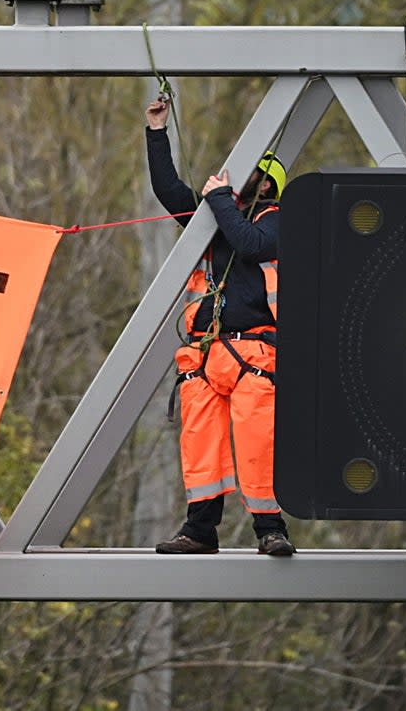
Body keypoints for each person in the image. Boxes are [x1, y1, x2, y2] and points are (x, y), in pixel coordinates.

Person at [145, 97, 296, 557]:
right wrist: (157, 132)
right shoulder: (215, 222)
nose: (236, 179)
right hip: (207, 357)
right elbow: (169, 190)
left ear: (267, 181)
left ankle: (271, 528)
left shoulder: (279, 221)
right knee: (201, 446)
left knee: (257, 444)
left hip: (255, 355)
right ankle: (200, 529)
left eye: (249, 171)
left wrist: (217, 201)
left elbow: (250, 245)